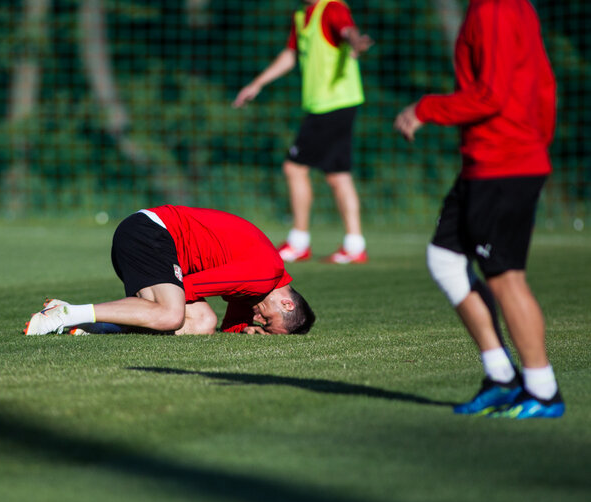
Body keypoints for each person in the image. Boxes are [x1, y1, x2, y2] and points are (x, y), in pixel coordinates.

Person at [394, 0, 564, 418]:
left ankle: (543, 391)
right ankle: (501, 376)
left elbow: (491, 95)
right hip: (490, 161)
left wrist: (424, 108)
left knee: (505, 277)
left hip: (504, 163)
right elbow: (544, 86)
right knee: (446, 258)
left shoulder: (496, 9)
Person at [24, 205, 316, 336]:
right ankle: (66, 315)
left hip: (153, 242)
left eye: (261, 323)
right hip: (151, 232)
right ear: (286, 303)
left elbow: (228, 325)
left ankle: (91, 324)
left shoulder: (262, 287)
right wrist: (161, 303)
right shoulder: (263, 274)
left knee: (202, 323)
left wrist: (245, 329)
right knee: (170, 313)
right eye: (267, 320)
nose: (257, 317)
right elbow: (188, 285)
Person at [233, 0, 373, 264]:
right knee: (337, 175)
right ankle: (355, 246)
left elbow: (348, 31)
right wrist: (257, 84)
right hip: (334, 104)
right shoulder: (301, 15)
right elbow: (290, 55)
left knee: (294, 168)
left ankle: (298, 242)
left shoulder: (332, 7)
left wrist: (356, 42)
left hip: (331, 105)